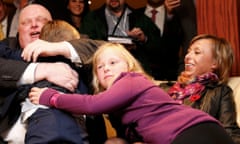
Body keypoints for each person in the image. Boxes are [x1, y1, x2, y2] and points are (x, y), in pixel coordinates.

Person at [28, 42, 235, 144]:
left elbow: (92, 104)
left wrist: (51, 97)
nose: (106, 68)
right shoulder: (118, 106)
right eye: (100, 67)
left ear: (128, 66)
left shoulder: (132, 80)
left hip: (197, 133)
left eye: (112, 62)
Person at [0, 4, 86, 144]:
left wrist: (60, 48)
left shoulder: (73, 44)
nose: (33, 25)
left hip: (64, 123)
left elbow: (103, 50)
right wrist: (42, 69)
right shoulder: (9, 47)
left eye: (41, 20)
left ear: (53, 25)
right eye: (26, 22)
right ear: (18, 31)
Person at [168, 34, 240, 144]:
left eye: (197, 52)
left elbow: (229, 132)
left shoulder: (219, 92)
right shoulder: (165, 88)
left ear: (215, 62)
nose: (187, 56)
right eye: (188, 51)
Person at [79, 0, 161, 75]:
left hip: (134, 72)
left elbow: (159, 48)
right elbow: (85, 47)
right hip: (104, 72)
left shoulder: (140, 18)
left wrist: (144, 39)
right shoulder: (91, 18)